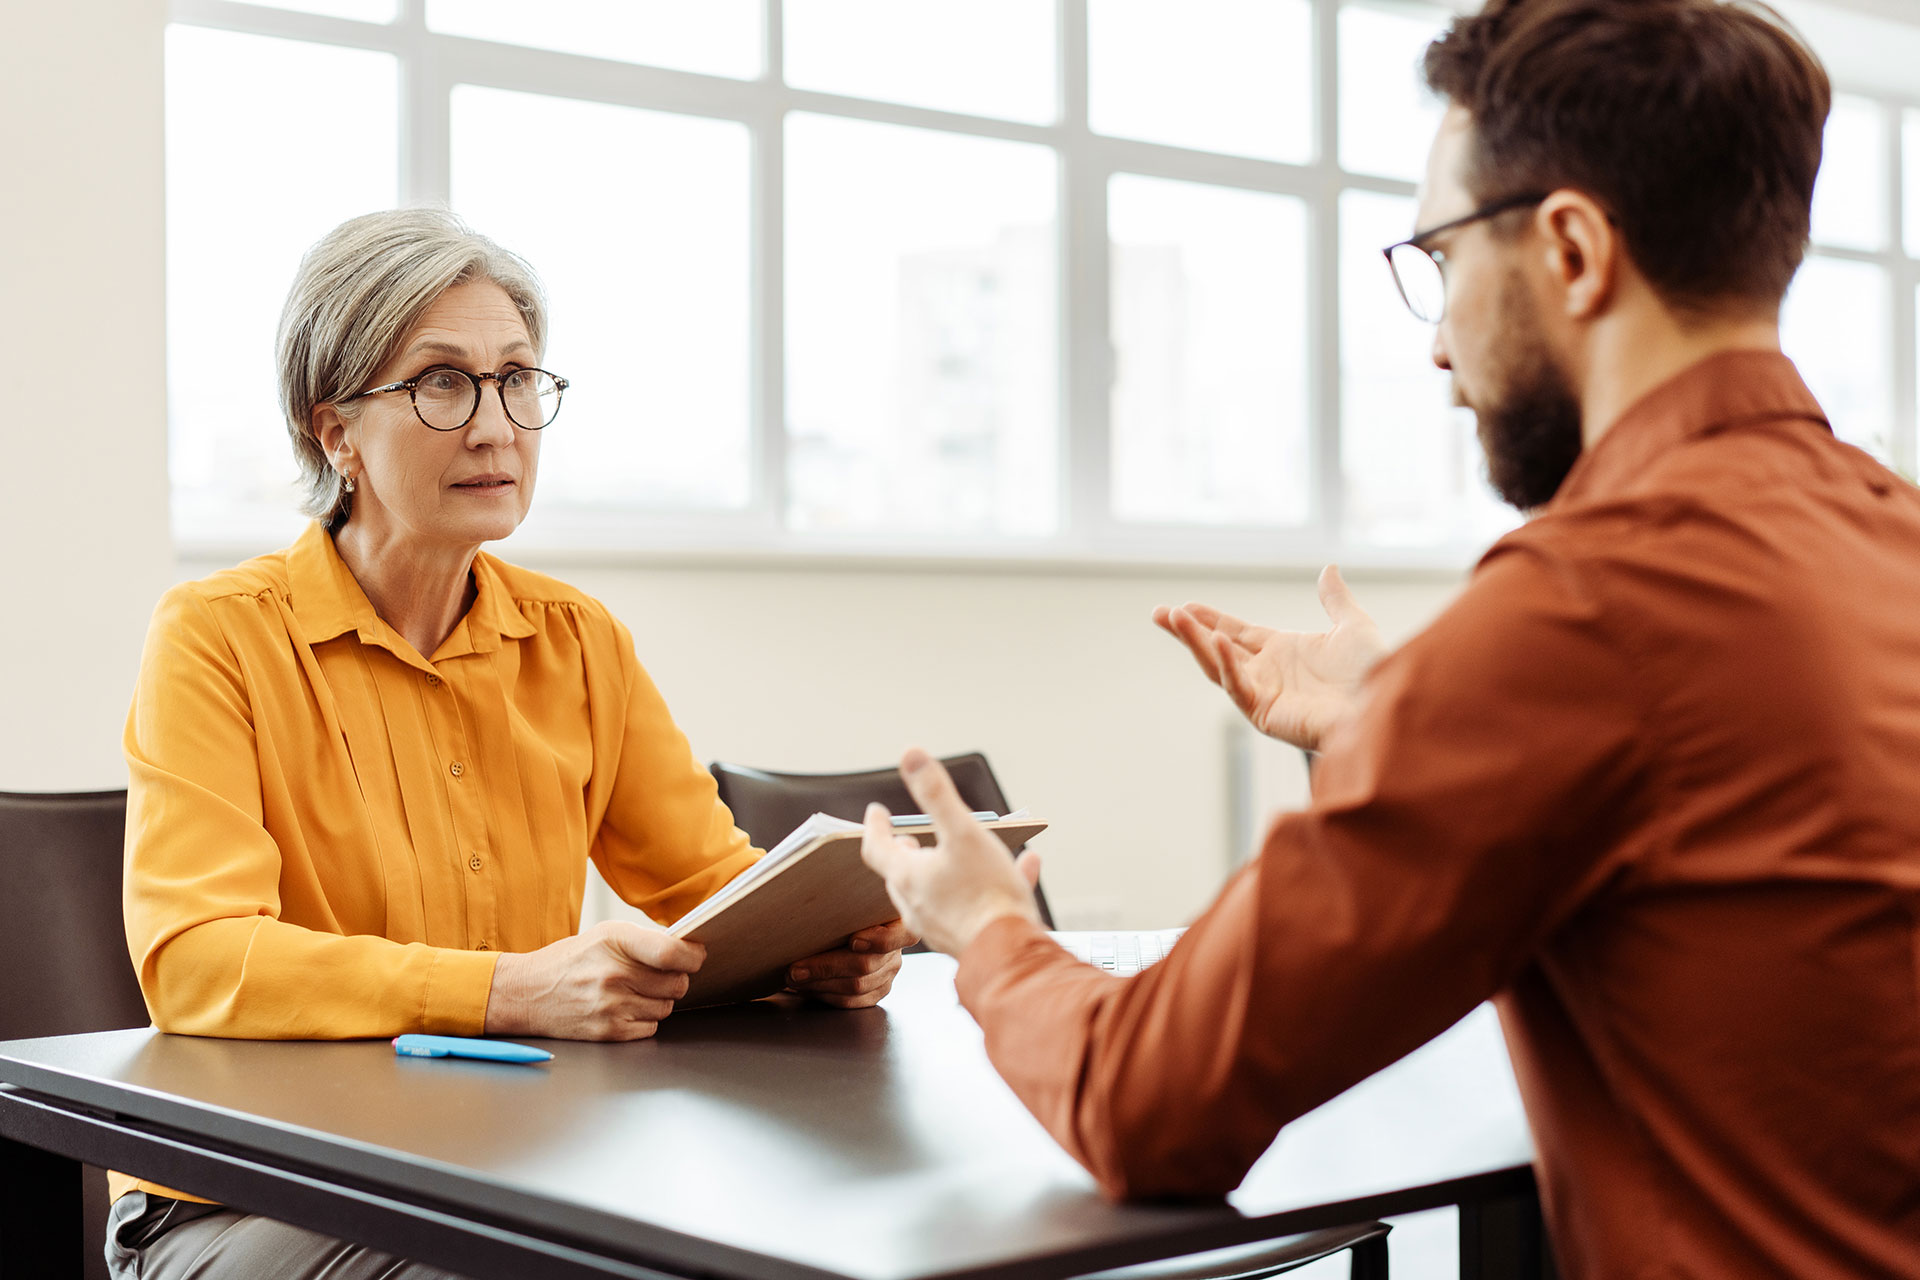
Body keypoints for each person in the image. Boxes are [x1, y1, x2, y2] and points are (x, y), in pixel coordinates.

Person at [860, 1, 1920, 1275]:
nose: (1437, 347)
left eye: (1443, 258)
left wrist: (990, 927)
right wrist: (1399, 720)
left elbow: (1150, 1101)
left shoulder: (1580, 609)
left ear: (1573, 250)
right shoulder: (1890, 538)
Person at [110, 209, 913, 1279]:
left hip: (501, 1169)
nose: (495, 426)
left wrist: (821, 945)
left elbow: (709, 893)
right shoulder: (217, 636)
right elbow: (198, 961)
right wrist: (503, 988)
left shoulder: (578, 641)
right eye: (441, 382)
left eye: (518, 379)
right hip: (246, 1193)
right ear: (334, 430)